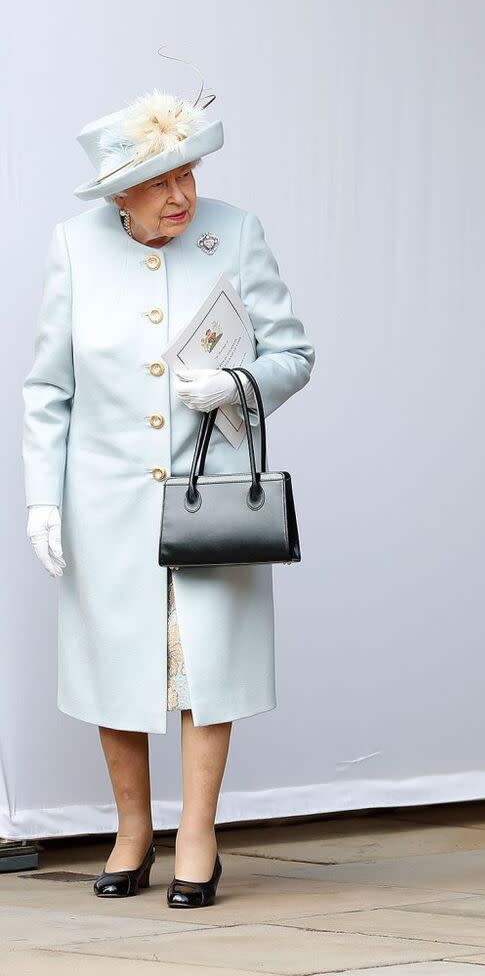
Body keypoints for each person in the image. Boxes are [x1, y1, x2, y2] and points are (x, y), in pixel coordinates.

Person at [22, 88, 314, 908]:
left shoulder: (237, 231)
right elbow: (49, 387)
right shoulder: (74, 247)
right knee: (116, 662)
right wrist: (43, 498)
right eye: (158, 182)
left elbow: (293, 352)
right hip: (104, 499)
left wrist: (237, 382)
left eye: (187, 173)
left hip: (206, 492)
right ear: (119, 193)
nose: (180, 195)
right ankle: (131, 831)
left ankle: (198, 834)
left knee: (202, 667)